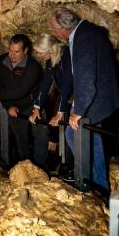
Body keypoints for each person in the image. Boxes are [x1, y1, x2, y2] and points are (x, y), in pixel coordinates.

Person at [50, 7, 119, 190]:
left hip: (95, 101)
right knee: (89, 138)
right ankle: (95, 182)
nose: (54, 32)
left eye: (54, 27)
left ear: (63, 29)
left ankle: (92, 184)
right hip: (101, 98)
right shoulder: (88, 32)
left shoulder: (83, 39)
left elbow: (86, 79)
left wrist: (78, 111)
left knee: (80, 137)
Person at [0, 34, 43, 165]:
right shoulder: (2, 61)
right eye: (10, 50)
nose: (12, 55)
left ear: (25, 51)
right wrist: (9, 106)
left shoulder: (33, 67)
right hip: (13, 106)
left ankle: (42, 169)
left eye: (16, 52)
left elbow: (21, 90)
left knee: (41, 139)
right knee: (21, 141)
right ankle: (25, 169)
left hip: (33, 106)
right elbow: (0, 85)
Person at [28, 34, 73, 169]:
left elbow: (68, 85)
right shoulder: (51, 59)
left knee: (72, 133)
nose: (37, 54)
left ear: (49, 50)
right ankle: (67, 166)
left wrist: (60, 111)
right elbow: (45, 83)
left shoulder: (67, 57)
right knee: (67, 132)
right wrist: (36, 107)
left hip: (78, 99)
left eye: (39, 52)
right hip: (67, 98)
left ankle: (72, 167)